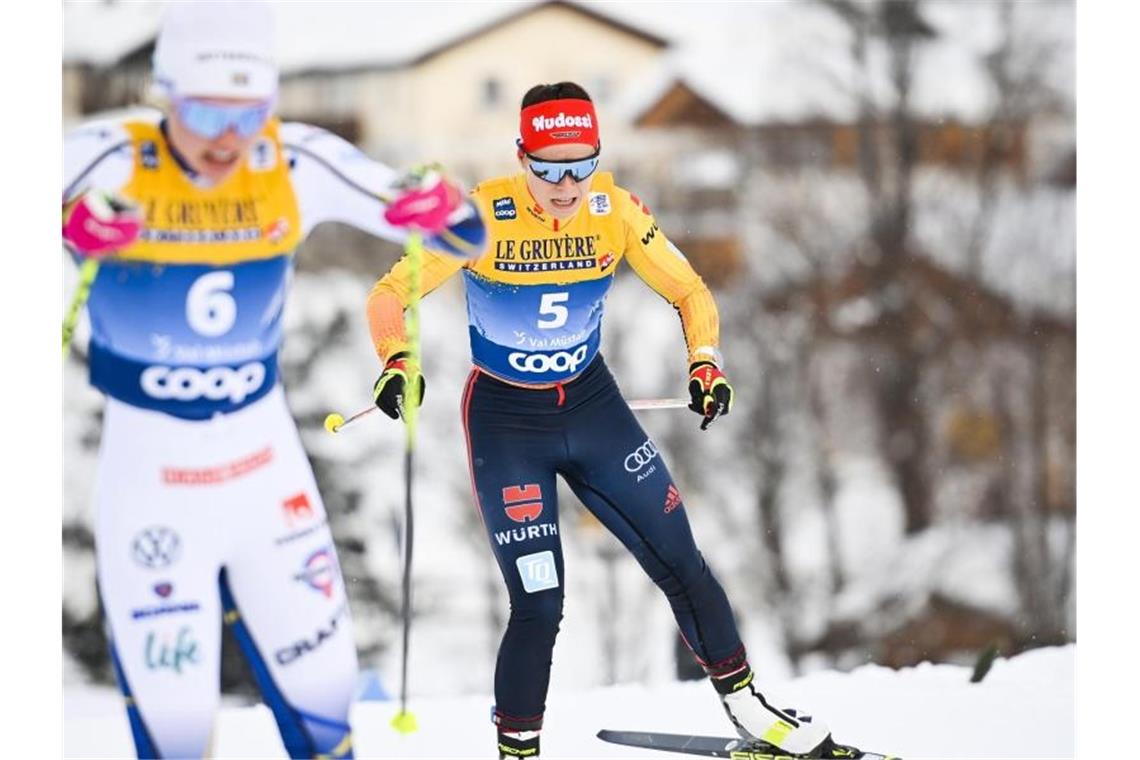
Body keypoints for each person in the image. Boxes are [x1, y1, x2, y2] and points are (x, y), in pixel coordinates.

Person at [366, 82, 837, 759]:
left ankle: (753, 713)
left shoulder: (614, 212)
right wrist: (397, 360)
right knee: (540, 604)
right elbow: (390, 294)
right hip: (507, 423)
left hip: (593, 409)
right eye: (549, 167)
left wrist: (705, 362)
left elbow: (688, 288)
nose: (565, 184)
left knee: (683, 562)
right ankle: (519, 750)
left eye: (580, 164)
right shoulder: (481, 218)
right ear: (521, 157)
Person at [61, 3, 484, 758]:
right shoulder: (105, 156)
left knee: (327, 710)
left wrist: (438, 204)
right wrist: (66, 224)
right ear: (164, 94)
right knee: (177, 731)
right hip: (151, 481)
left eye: (249, 112)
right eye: (203, 111)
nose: (229, 139)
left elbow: (461, 232)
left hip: (264, 471)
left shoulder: (291, 159)